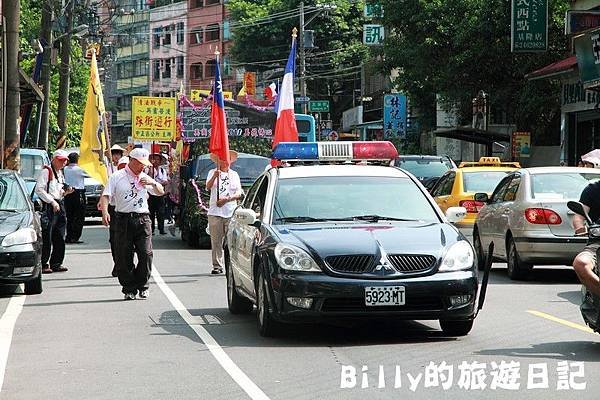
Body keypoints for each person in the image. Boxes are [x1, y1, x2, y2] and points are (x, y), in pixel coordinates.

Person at [100, 148, 164, 300]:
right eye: (141, 163)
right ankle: (129, 288)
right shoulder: (117, 176)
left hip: (143, 218)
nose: (143, 167)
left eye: (144, 164)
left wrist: (153, 182)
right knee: (124, 255)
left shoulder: (145, 177)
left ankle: (143, 285)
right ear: (132, 161)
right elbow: (106, 195)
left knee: (146, 253)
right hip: (123, 219)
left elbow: (161, 191)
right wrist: (105, 212)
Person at [35, 149, 73, 273]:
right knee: (47, 235)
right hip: (49, 206)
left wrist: (65, 192)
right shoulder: (47, 171)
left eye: (65, 161)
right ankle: (44, 263)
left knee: (60, 235)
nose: (63, 163)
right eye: (61, 160)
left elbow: (58, 190)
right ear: (54, 159)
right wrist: (51, 201)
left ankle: (56, 262)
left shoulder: (60, 173)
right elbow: (39, 190)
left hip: (59, 204)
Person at [205, 150, 243, 274]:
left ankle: (232, 264)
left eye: (227, 159)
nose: (225, 162)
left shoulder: (234, 175)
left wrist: (226, 199)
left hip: (230, 212)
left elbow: (239, 193)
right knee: (216, 241)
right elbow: (208, 187)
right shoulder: (212, 172)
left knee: (231, 240)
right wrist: (215, 176)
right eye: (222, 159)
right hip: (215, 212)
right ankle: (217, 265)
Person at [573, 160, 600, 297]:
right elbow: (578, 216)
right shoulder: (593, 189)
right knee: (580, 263)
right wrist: (580, 228)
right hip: (597, 242)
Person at [105, 156, 129, 278]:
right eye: (121, 166)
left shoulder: (135, 179)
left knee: (128, 241)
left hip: (128, 212)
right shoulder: (114, 178)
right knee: (114, 240)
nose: (124, 169)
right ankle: (118, 264)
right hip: (115, 211)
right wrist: (105, 211)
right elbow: (106, 195)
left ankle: (125, 265)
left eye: (126, 166)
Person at [64, 152, 87, 244]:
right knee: (79, 216)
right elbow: (91, 174)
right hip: (78, 193)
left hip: (68, 193)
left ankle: (69, 236)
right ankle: (75, 236)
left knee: (69, 216)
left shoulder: (65, 169)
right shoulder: (79, 169)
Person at [148, 153, 169, 235]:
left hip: (160, 193)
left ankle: (161, 228)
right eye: (154, 159)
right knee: (151, 212)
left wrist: (158, 182)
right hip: (151, 193)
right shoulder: (148, 169)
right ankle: (151, 229)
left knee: (161, 212)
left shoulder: (162, 170)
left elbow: (165, 181)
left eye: (157, 159)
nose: (156, 161)